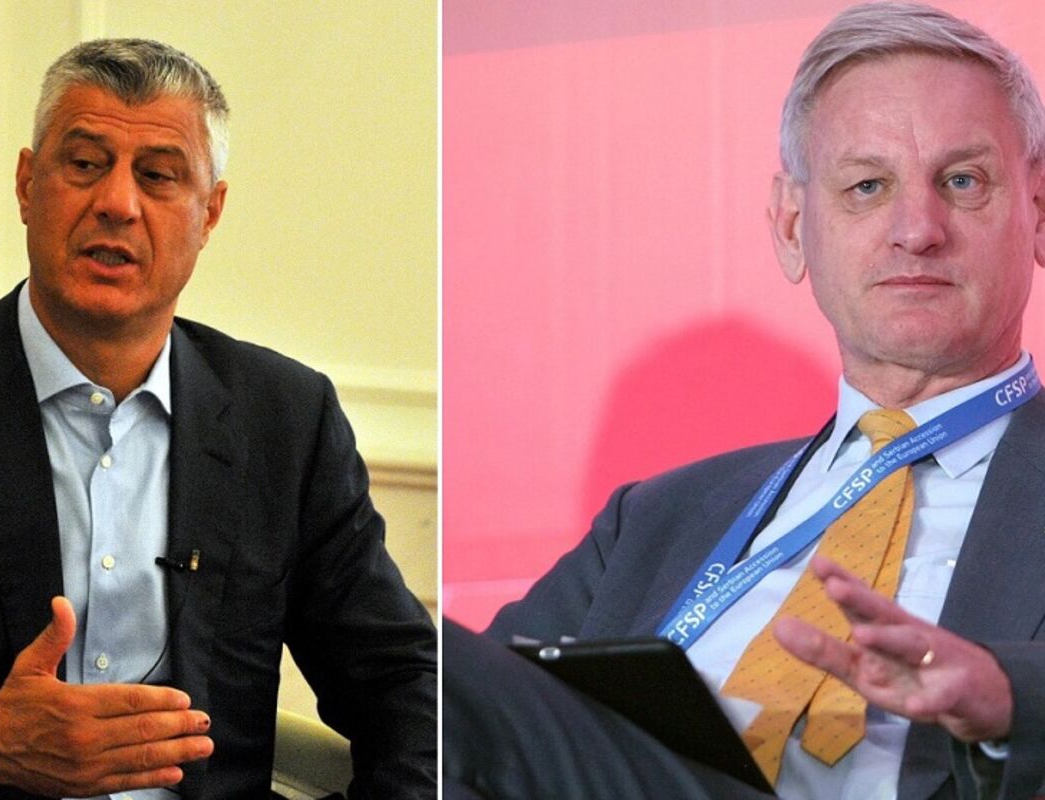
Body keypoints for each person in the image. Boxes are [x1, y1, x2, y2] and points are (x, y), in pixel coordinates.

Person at [444, 3, 1045, 799]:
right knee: (435, 672)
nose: (917, 228)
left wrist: (1010, 695)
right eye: (867, 186)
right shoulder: (655, 518)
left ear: (1038, 210)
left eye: (962, 181)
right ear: (792, 227)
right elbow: (484, 720)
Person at [0, 38, 436, 799]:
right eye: (85, 164)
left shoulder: (286, 420)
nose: (117, 203)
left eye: (158, 176)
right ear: (27, 185)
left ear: (209, 213)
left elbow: (404, 681)